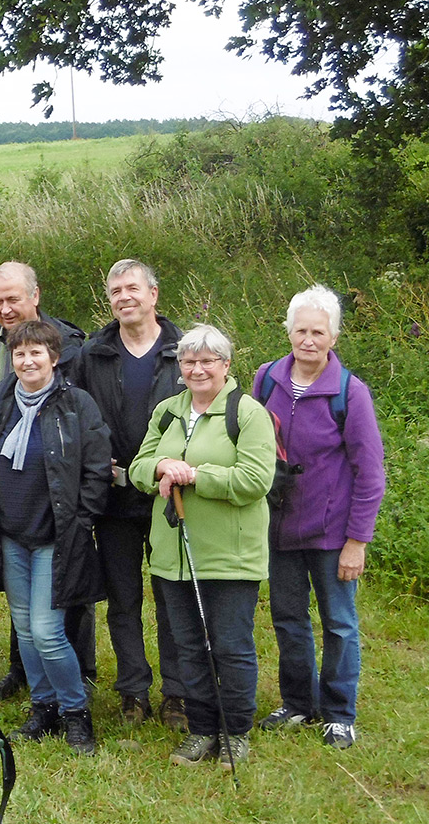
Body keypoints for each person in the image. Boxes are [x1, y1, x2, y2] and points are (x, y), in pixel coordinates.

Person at [129, 323, 276, 769]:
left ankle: (236, 733)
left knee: (231, 646)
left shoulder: (247, 413)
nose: (197, 369)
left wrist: (195, 475)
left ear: (226, 365)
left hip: (230, 556)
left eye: (207, 361)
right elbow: (137, 468)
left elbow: (256, 480)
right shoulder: (167, 412)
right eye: (188, 361)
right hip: (173, 556)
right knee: (188, 646)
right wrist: (160, 467)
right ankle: (201, 730)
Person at [0, 320, 110, 755]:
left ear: (54, 357)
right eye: (19, 354)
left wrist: (82, 518)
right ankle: (43, 707)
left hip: (56, 537)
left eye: (36, 353)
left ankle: (76, 713)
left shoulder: (76, 404)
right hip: (11, 536)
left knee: (48, 633)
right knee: (26, 633)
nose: (27, 361)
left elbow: (97, 467)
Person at [254, 285, 385, 750]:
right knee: (289, 620)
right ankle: (297, 704)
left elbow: (369, 474)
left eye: (318, 332)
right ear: (287, 330)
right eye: (300, 330)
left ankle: (338, 713)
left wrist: (357, 542)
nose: (307, 340)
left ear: (333, 337)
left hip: (332, 532)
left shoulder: (350, 393)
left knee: (339, 623)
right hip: (278, 526)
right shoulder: (266, 379)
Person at [0, 260, 94, 697]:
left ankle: (78, 685)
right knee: (26, 619)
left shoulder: (73, 349)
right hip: (11, 511)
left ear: (34, 296)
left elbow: (88, 443)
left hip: (57, 509)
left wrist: (83, 510)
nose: (5, 308)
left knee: (56, 614)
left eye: (13, 299)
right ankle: (34, 689)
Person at [74, 259, 188, 729]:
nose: (124, 297)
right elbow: (79, 416)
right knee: (123, 600)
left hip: (170, 499)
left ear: (154, 294)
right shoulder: (92, 354)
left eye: (133, 288)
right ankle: (133, 693)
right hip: (115, 499)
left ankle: (178, 695)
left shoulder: (184, 350)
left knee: (171, 598)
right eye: (116, 290)